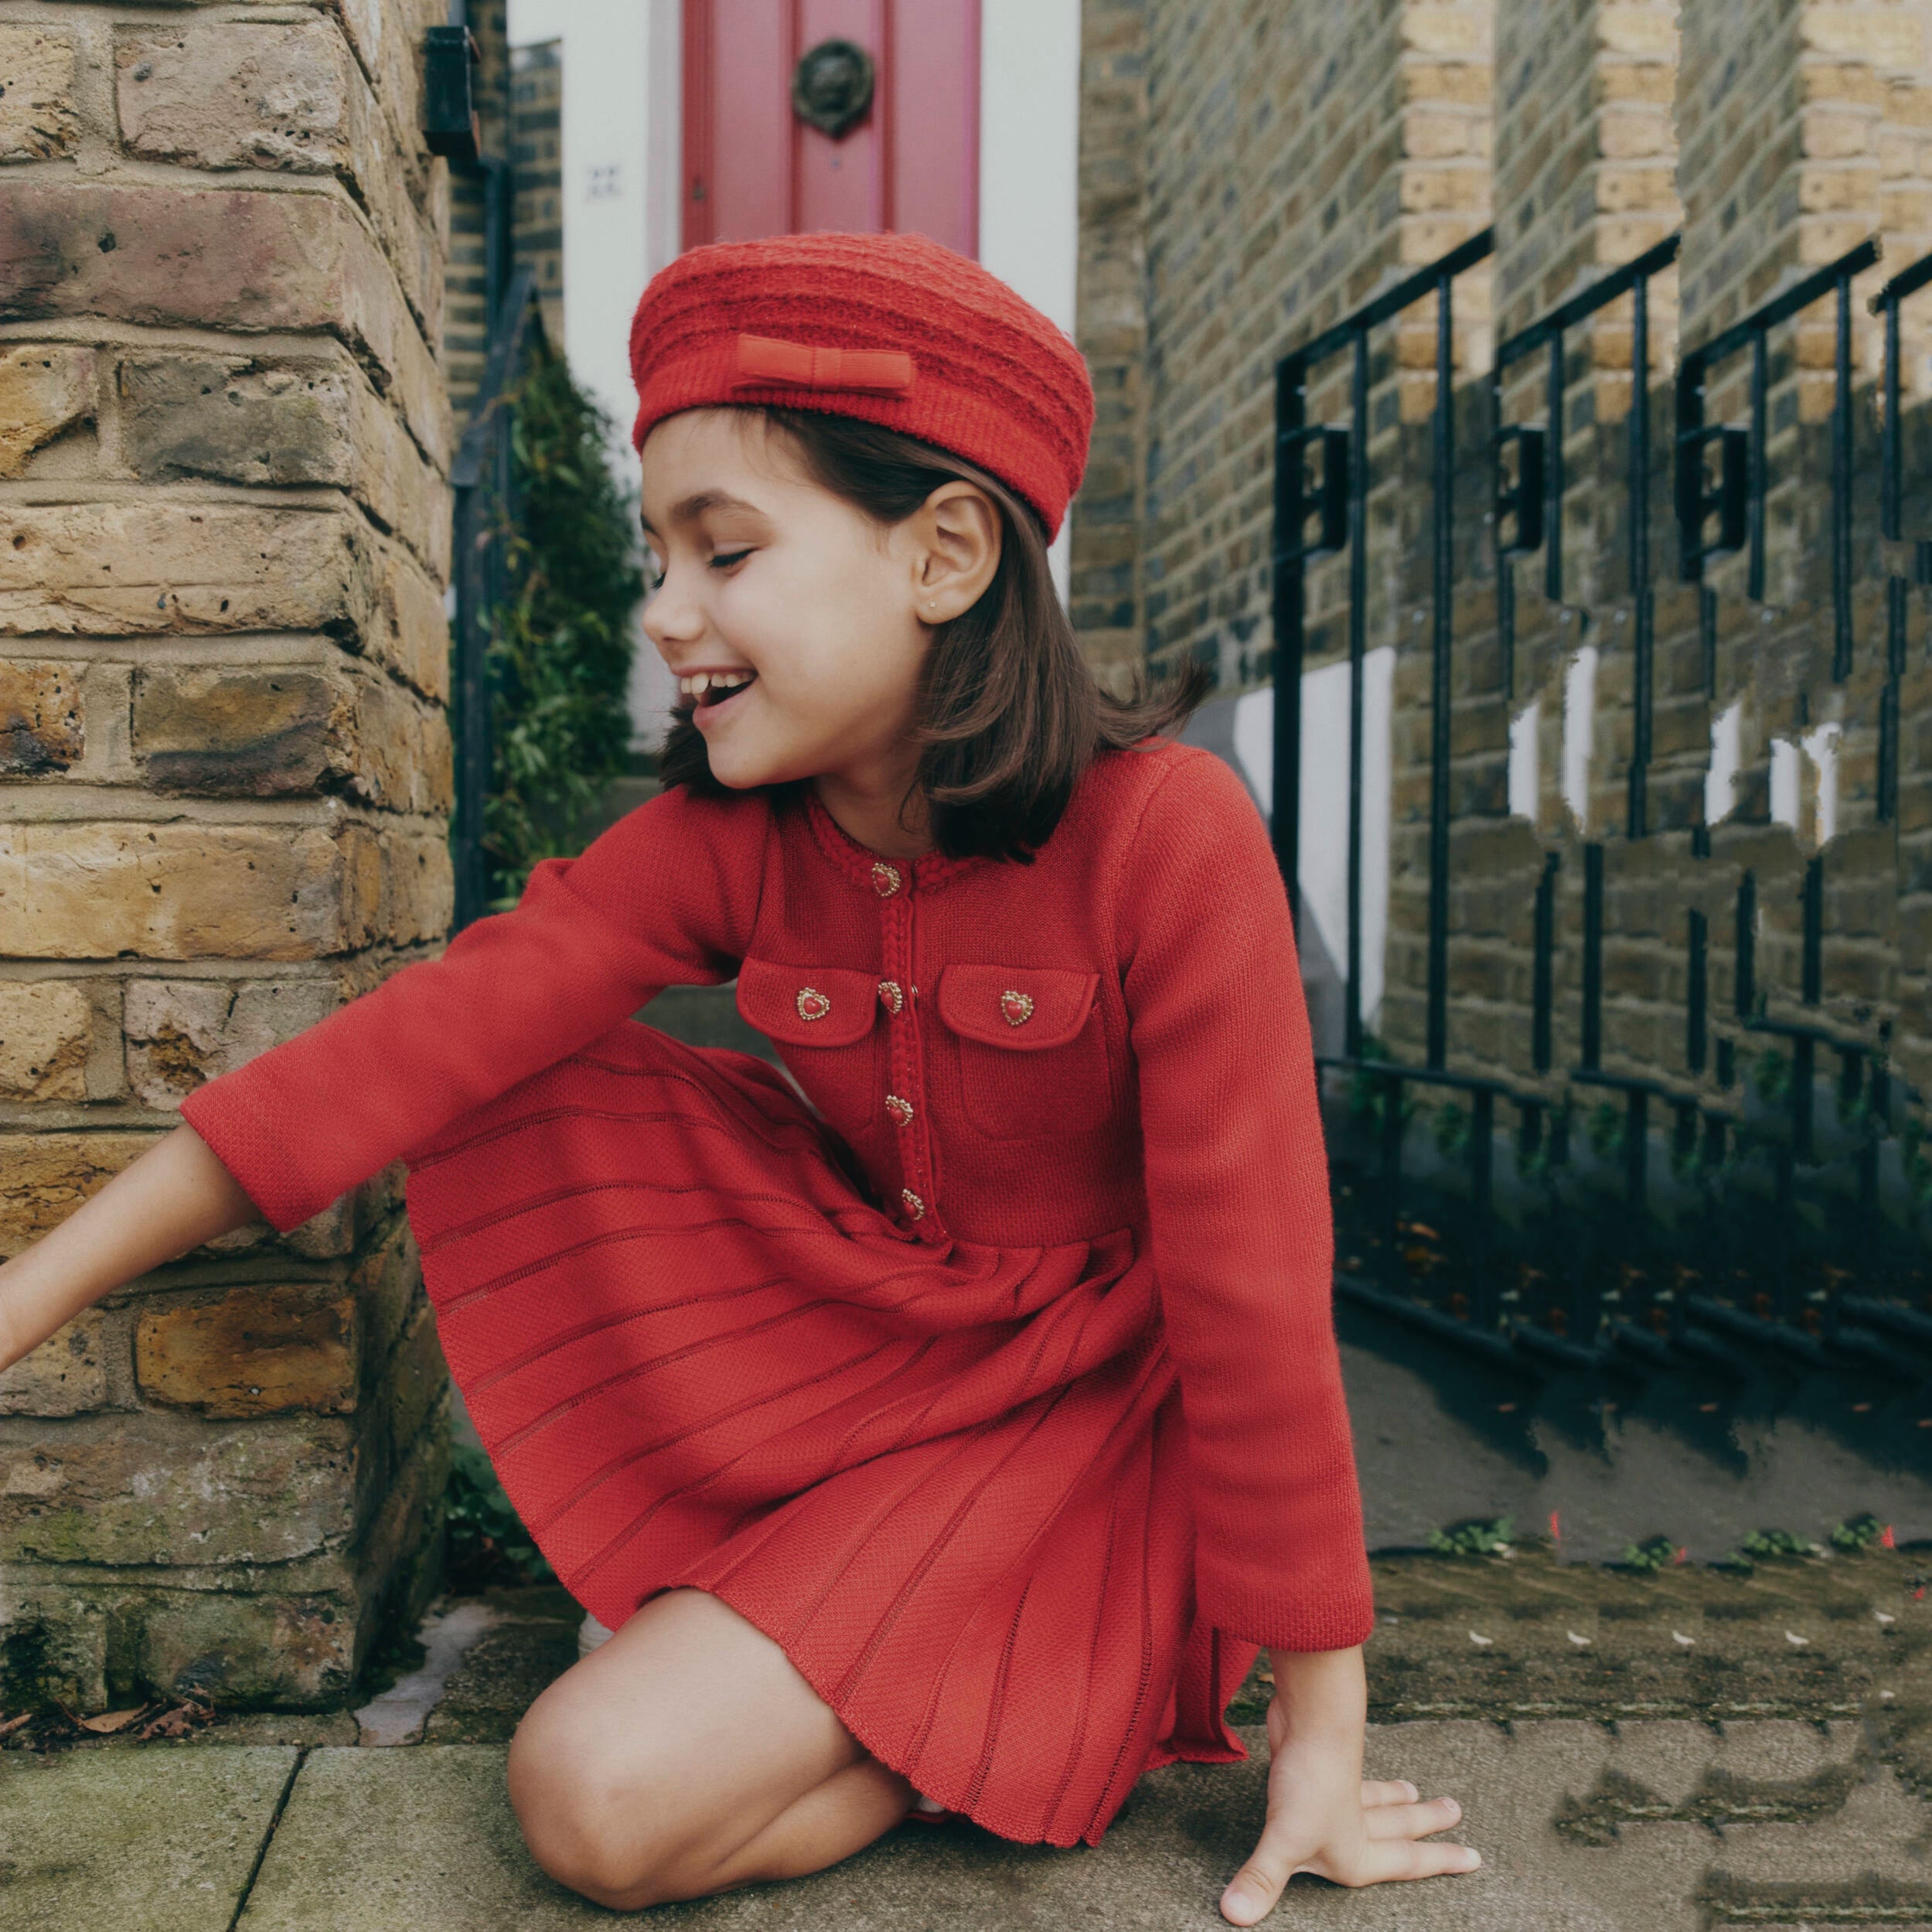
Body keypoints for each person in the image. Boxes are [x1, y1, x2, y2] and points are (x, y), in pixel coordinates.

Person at [0, 230, 1479, 1920]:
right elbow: (389, 1063)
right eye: (656, 552)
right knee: (497, 1060)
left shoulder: (1165, 834)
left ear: (941, 554)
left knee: (590, 1799)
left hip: (1082, 1433)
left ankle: (1004, 1680)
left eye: (726, 549)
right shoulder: (735, 839)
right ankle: (951, 1690)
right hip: (871, 1365)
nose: (664, 609)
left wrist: (1319, 1730)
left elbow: (1254, 1289)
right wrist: (25, 1298)